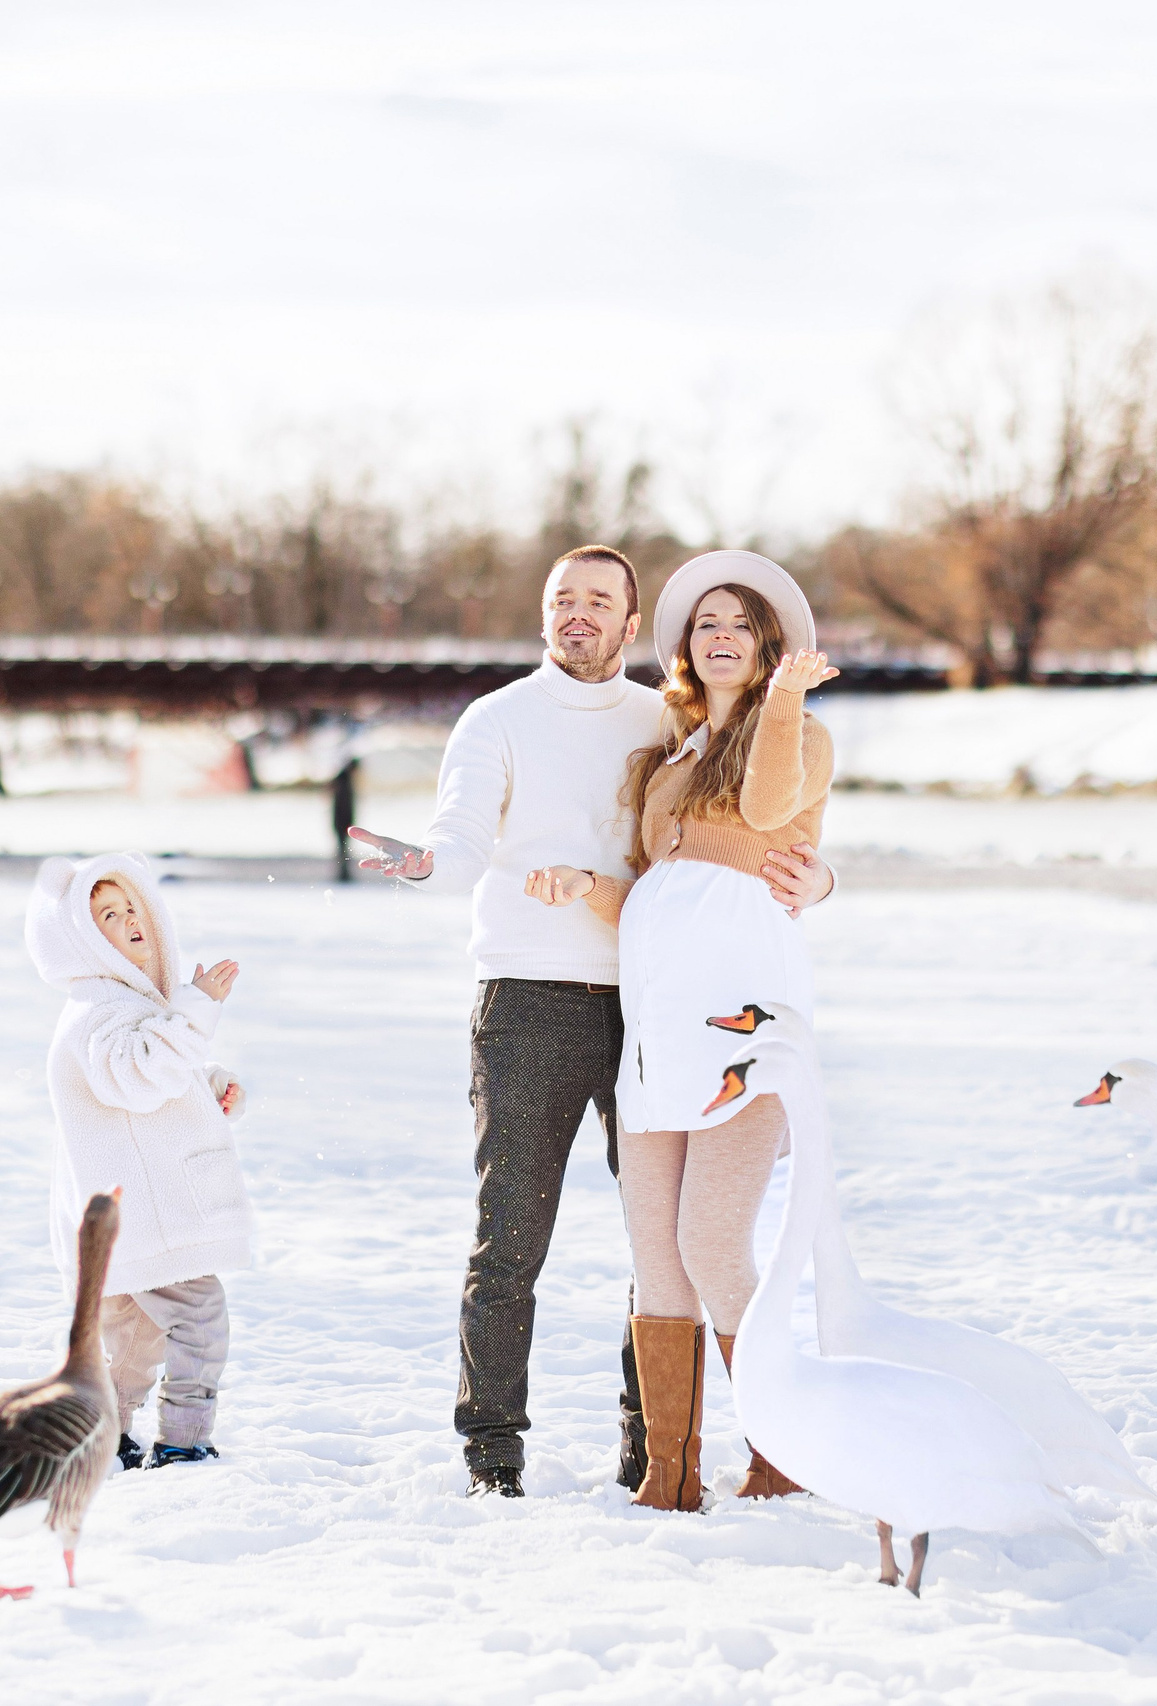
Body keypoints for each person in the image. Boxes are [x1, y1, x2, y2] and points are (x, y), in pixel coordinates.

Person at [348, 544, 836, 1499]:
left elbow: (765, 824)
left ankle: (669, 1453)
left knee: (682, 1244)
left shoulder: (672, 720)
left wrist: (820, 878)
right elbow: (478, 843)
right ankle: (499, 1454)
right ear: (544, 614)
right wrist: (433, 868)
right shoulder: (511, 720)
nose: (579, 613)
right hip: (533, 996)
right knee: (520, 1240)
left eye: (599, 600)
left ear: (629, 622)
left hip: (663, 1010)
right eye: (563, 598)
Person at [524, 550, 834, 1511]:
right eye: (706, 623)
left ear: (770, 643)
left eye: (742, 623)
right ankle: (671, 1475)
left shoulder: (799, 734)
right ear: (686, 646)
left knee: (713, 1243)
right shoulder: (672, 754)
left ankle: (781, 1457)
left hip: (742, 1023)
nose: (722, 636)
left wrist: (783, 697)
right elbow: (664, 890)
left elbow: (768, 810)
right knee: (656, 1254)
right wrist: (590, 887)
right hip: (655, 1027)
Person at [23, 852, 252, 1471]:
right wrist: (196, 1010)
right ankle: (183, 1440)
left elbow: (151, 1082)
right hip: (149, 1216)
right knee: (199, 1317)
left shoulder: (124, 1006)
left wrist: (209, 1086)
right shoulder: (98, 1013)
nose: (129, 920)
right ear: (82, 940)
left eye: (132, 907)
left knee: (136, 1336)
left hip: (131, 1217)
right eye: (107, 915)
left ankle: (102, 1436)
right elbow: (141, 1075)